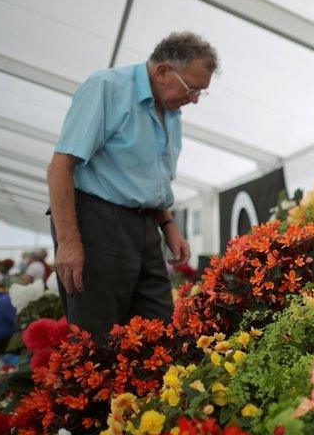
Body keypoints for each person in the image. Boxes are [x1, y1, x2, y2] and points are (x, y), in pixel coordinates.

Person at [46, 31, 216, 346]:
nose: (194, 99)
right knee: (99, 340)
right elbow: (59, 168)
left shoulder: (171, 111)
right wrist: (68, 242)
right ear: (164, 71)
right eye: (191, 88)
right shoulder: (107, 88)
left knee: (158, 331)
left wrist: (169, 226)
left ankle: (147, 396)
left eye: (200, 93)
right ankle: (101, 398)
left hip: (146, 226)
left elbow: (150, 180)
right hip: (97, 223)